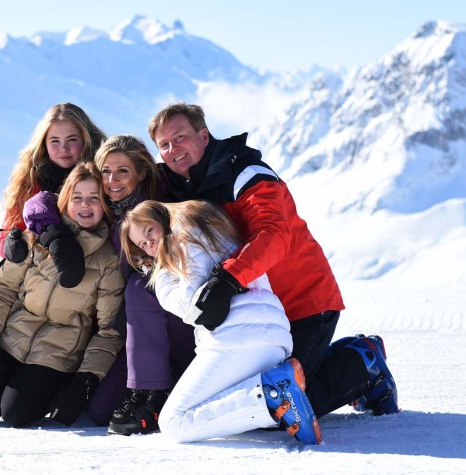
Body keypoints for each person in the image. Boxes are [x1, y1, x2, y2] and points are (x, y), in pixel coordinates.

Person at [146, 102, 398, 419]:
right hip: (253, 314)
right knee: (248, 400)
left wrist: (226, 281)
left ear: (204, 135)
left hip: (303, 303)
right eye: (164, 145)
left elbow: (274, 235)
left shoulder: (246, 172)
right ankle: (335, 361)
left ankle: (364, 364)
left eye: (180, 136)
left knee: (286, 405)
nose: (173, 149)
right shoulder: (177, 187)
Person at [119, 199, 321, 444]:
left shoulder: (183, 238)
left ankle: (270, 395)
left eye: (149, 231)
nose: (149, 243)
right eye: (143, 245)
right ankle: (272, 394)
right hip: (271, 340)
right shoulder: (211, 231)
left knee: (172, 423)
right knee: (215, 409)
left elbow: (189, 307)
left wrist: (160, 273)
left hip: (236, 341)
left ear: (162, 218)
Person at [0, 162, 125, 428]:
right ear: (65, 200)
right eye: (77, 197)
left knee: (16, 414)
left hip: (58, 351)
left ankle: (51, 386)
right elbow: (1, 289)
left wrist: (84, 381)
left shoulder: (108, 259)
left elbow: (109, 330)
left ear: (104, 204)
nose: (85, 205)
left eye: (94, 198)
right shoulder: (36, 237)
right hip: (12, 339)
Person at [93, 135, 197, 435]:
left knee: (142, 285)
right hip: (141, 332)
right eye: (106, 171)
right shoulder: (106, 214)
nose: (112, 180)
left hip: (182, 323)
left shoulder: (162, 210)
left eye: (123, 171)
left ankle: (152, 393)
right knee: (101, 411)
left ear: (141, 173)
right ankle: (169, 385)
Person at [0, 102, 107, 288]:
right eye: (54, 141)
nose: (63, 148)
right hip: (40, 281)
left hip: (95, 276)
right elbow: (8, 232)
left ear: (86, 139)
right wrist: (10, 246)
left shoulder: (102, 174)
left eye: (72, 139)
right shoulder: (29, 180)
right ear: (44, 143)